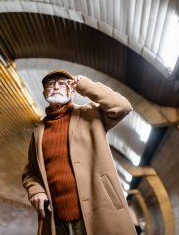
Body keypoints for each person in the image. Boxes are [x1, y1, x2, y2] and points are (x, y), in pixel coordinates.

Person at [22, 70, 137, 235]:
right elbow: (30, 171)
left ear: (72, 91)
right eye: (50, 84)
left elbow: (123, 107)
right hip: (56, 219)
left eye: (62, 83)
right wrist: (36, 190)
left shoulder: (91, 114)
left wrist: (86, 86)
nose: (55, 87)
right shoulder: (38, 131)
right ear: (44, 93)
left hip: (96, 212)